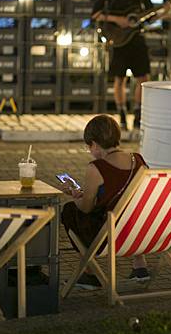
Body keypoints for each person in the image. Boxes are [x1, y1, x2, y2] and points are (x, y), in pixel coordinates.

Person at [61, 115, 149, 290]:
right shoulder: (138, 160)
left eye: (89, 147)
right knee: (131, 209)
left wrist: (76, 197)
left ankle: (90, 274)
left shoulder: (96, 167)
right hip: (140, 231)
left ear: (94, 144)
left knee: (70, 211)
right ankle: (140, 267)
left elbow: (86, 208)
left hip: (111, 235)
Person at [91, 0, 170, 130]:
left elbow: (149, 18)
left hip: (137, 38)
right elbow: (95, 15)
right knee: (120, 78)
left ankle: (137, 113)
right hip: (118, 39)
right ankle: (121, 114)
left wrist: (164, 12)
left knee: (143, 78)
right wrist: (117, 19)